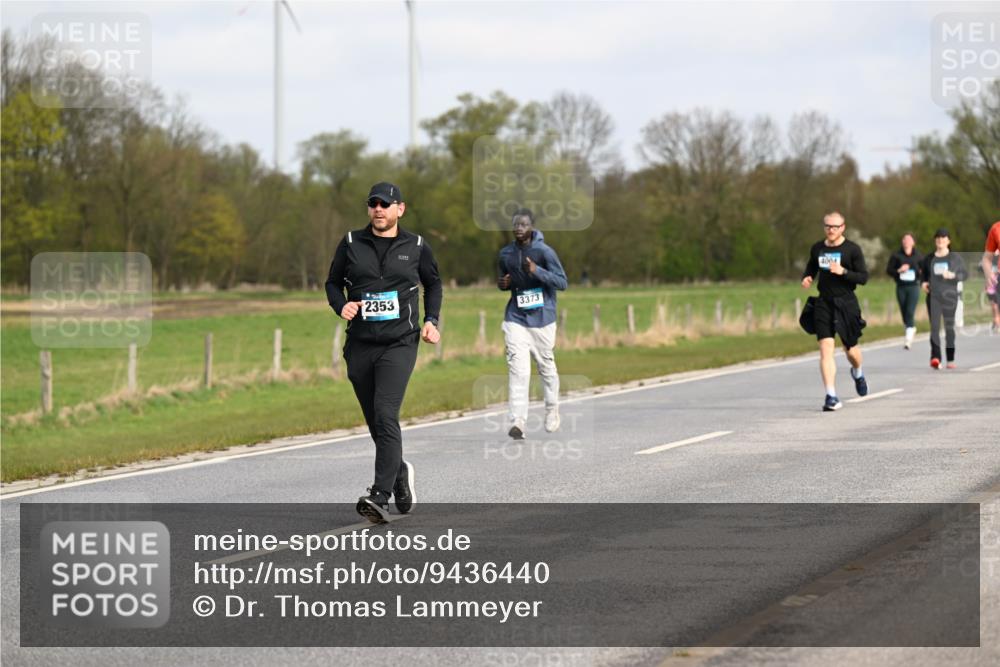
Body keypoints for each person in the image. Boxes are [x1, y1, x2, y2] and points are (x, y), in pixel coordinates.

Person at [325, 182, 443, 524]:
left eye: (386, 204)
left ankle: (380, 495)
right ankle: (400, 473)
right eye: (373, 204)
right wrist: (340, 305)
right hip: (360, 344)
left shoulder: (417, 246)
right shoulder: (351, 244)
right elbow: (332, 282)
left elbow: (433, 284)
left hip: (399, 342)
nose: (379, 209)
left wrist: (431, 320)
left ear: (399, 209)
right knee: (377, 422)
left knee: (385, 412)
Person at [496, 208, 568, 439]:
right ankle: (518, 421)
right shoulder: (505, 253)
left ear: (532, 227)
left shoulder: (545, 252)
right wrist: (503, 284)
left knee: (546, 367)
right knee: (518, 369)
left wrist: (537, 271)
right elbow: (504, 281)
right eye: (515, 224)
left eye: (523, 224)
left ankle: (552, 409)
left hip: (543, 318)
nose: (518, 228)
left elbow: (562, 282)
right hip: (516, 318)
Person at [800, 212, 869, 412]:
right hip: (824, 303)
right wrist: (807, 278)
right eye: (828, 226)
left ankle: (858, 372)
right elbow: (811, 268)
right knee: (825, 348)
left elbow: (863, 277)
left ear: (843, 227)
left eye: (835, 227)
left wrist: (844, 272)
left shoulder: (852, 250)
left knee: (852, 351)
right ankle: (831, 396)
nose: (831, 230)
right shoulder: (817, 248)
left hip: (846, 303)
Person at [921, 228, 968, 369]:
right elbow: (923, 275)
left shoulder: (954, 258)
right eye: (938, 238)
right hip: (933, 296)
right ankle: (935, 357)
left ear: (948, 241)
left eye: (943, 238)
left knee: (949, 328)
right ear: (935, 241)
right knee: (934, 327)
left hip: (950, 297)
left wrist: (953, 276)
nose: (940, 240)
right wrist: (923, 283)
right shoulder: (929, 258)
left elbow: (964, 275)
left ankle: (950, 358)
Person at [885, 233, 923, 349]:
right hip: (901, 286)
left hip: (913, 287)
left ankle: (908, 339)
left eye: (909, 239)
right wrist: (899, 270)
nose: (906, 241)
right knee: (904, 313)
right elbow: (889, 270)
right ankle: (911, 328)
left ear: (913, 242)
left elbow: (924, 270)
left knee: (910, 311)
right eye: (904, 239)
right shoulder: (896, 256)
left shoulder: (919, 256)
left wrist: (920, 274)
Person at [982, 220, 1000, 334]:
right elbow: (986, 259)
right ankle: (996, 321)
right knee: (994, 304)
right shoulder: (996, 228)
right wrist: (989, 273)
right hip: (996, 281)